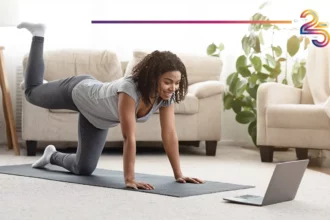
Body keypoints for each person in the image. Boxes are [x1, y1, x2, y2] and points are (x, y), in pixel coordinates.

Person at [17, 22, 205, 190]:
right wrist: (129, 179)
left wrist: (178, 174)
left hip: (97, 118)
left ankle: (51, 156)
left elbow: (169, 134)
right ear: (154, 78)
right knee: (31, 93)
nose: (173, 88)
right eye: (167, 82)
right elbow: (128, 137)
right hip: (79, 91)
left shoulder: (165, 97)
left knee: (83, 169)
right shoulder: (129, 90)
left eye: (177, 82)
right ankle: (38, 35)